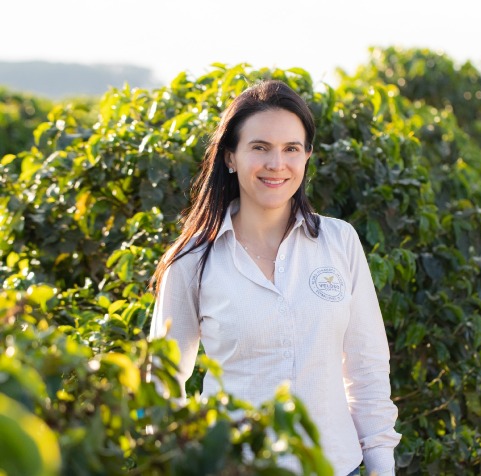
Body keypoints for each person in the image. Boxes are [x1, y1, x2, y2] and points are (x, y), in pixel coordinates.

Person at [149, 79, 401, 475]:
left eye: (291, 149)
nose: (276, 164)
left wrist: (382, 467)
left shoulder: (340, 242)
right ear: (230, 156)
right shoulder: (192, 259)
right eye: (260, 147)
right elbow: (161, 383)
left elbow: (367, 369)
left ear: (306, 157)